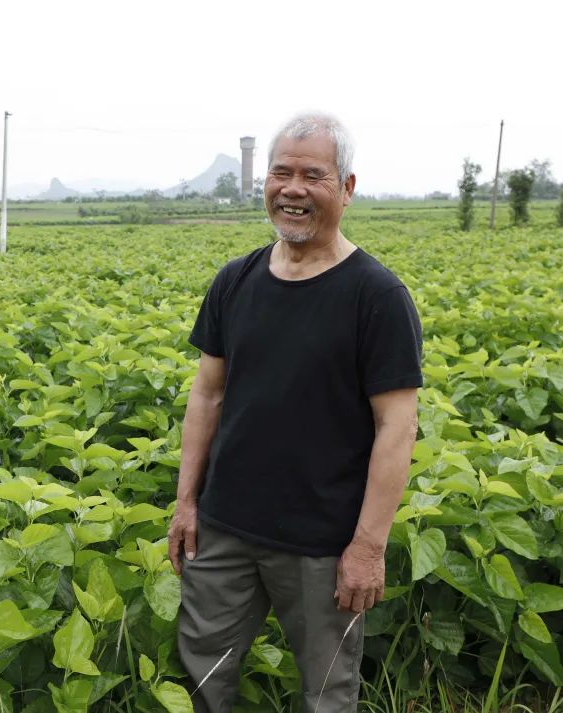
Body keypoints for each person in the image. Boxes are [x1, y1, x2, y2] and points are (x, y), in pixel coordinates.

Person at [168, 114, 422, 713]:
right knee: (204, 674)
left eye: (314, 175)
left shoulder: (377, 297)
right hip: (225, 528)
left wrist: (367, 547)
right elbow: (207, 395)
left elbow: (396, 427)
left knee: (326, 690)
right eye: (281, 172)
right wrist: (186, 501)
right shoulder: (237, 280)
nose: (293, 188)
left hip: (322, 544)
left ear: (347, 188)